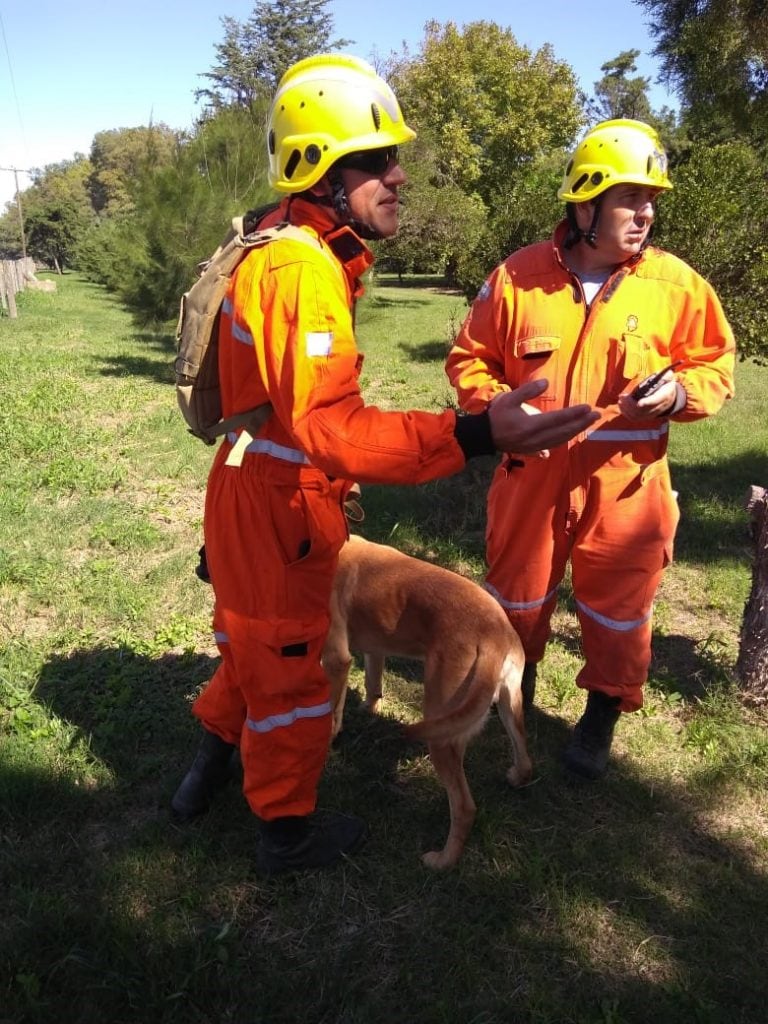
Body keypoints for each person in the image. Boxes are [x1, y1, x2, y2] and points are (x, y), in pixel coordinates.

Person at [170, 54, 598, 873]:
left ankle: (203, 776)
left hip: (255, 481)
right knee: (294, 671)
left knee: (250, 644)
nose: (398, 175)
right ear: (317, 170)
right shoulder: (300, 267)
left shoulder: (294, 247)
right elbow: (331, 427)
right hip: (275, 497)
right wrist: (476, 435)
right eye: (374, 160)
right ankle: (285, 832)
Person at [445, 118, 735, 781]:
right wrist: (494, 410)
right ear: (586, 204)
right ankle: (520, 695)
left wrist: (681, 394)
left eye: (651, 199)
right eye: (631, 198)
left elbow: (716, 366)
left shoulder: (677, 286)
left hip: (628, 492)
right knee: (516, 601)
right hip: (530, 479)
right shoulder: (519, 277)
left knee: (618, 613)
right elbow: (470, 358)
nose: (646, 213)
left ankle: (603, 714)